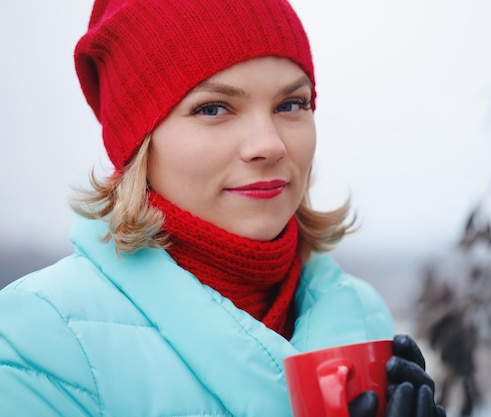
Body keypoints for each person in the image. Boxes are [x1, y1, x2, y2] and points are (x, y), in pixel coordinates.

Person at [0, 0, 445, 416]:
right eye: (214, 108)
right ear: (138, 143)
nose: (269, 145)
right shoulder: (38, 338)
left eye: (291, 104)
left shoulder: (362, 313)